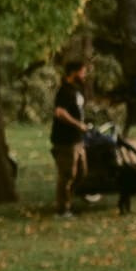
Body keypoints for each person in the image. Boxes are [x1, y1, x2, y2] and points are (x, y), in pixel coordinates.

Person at [51, 56, 92, 214]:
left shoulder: (75, 90)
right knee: (67, 175)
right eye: (82, 72)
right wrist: (78, 124)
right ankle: (62, 209)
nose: (84, 75)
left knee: (81, 173)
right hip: (65, 140)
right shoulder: (64, 90)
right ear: (73, 72)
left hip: (77, 140)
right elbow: (59, 112)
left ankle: (68, 200)